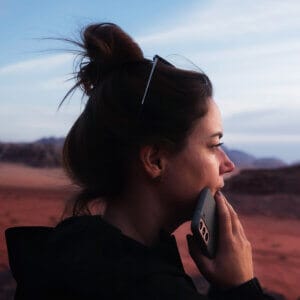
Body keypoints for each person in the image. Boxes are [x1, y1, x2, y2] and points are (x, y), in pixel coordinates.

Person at [5, 23, 275, 300]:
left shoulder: (68, 252)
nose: (228, 164)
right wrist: (242, 289)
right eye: (214, 145)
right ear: (155, 160)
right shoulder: (153, 290)